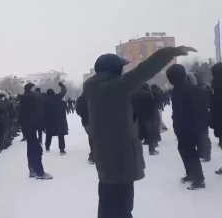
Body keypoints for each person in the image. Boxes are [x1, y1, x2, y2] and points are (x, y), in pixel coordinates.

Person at [83, 46, 197, 218]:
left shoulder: (100, 90)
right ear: (114, 71)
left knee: (109, 204)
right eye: (121, 67)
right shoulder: (113, 88)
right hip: (119, 158)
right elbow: (143, 71)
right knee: (120, 207)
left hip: (110, 157)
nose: (124, 70)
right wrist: (169, 53)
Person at [166, 64, 206, 190]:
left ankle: (199, 179)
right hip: (182, 126)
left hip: (189, 127)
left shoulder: (188, 89)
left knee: (190, 152)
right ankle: (191, 174)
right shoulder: (178, 89)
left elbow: (197, 110)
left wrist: (194, 127)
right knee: (183, 150)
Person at [19, 82, 52, 180]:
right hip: (31, 126)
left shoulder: (25, 98)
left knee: (31, 149)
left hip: (28, 127)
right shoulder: (31, 97)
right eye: (34, 88)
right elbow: (42, 102)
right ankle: (39, 172)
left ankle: (32, 169)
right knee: (37, 150)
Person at [44, 82, 68, 155]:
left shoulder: (45, 101)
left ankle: (47, 147)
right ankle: (62, 149)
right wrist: (62, 85)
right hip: (59, 120)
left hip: (49, 121)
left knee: (49, 134)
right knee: (61, 135)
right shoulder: (57, 97)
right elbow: (64, 91)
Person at [76, 91, 94, 163]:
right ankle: (93, 155)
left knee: (92, 137)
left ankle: (93, 155)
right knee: (95, 137)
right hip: (96, 120)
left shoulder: (80, 98)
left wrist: (82, 114)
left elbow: (78, 111)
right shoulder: (94, 95)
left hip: (86, 121)